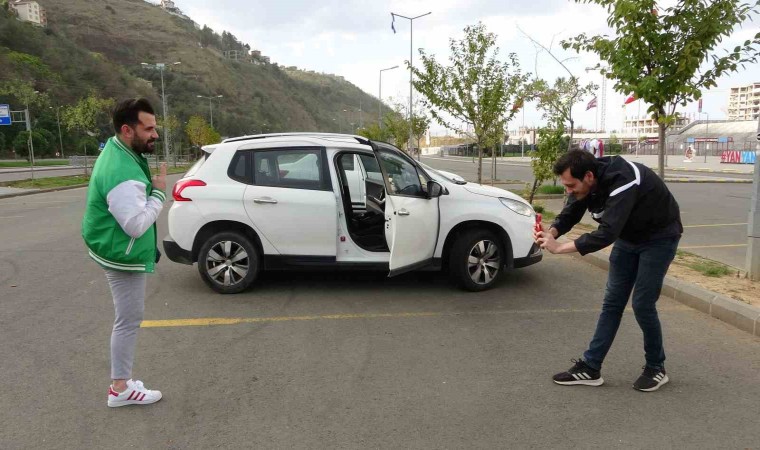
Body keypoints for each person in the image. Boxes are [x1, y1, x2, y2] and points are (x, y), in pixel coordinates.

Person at [535, 150, 682, 392]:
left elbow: (607, 233)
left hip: (659, 238)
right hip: (628, 238)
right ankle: (591, 368)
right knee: (612, 302)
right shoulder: (583, 181)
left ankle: (656, 367)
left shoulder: (624, 179)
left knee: (643, 304)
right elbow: (572, 210)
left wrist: (560, 248)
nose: (569, 190)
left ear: (589, 176)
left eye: (572, 185)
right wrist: (551, 233)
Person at [82, 98, 167, 407]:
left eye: (155, 127)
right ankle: (120, 389)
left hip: (111, 244)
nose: (155, 134)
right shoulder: (122, 171)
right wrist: (158, 192)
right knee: (129, 319)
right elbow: (135, 225)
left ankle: (122, 382)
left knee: (127, 318)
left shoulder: (121, 150)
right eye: (149, 129)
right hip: (121, 252)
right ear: (127, 130)